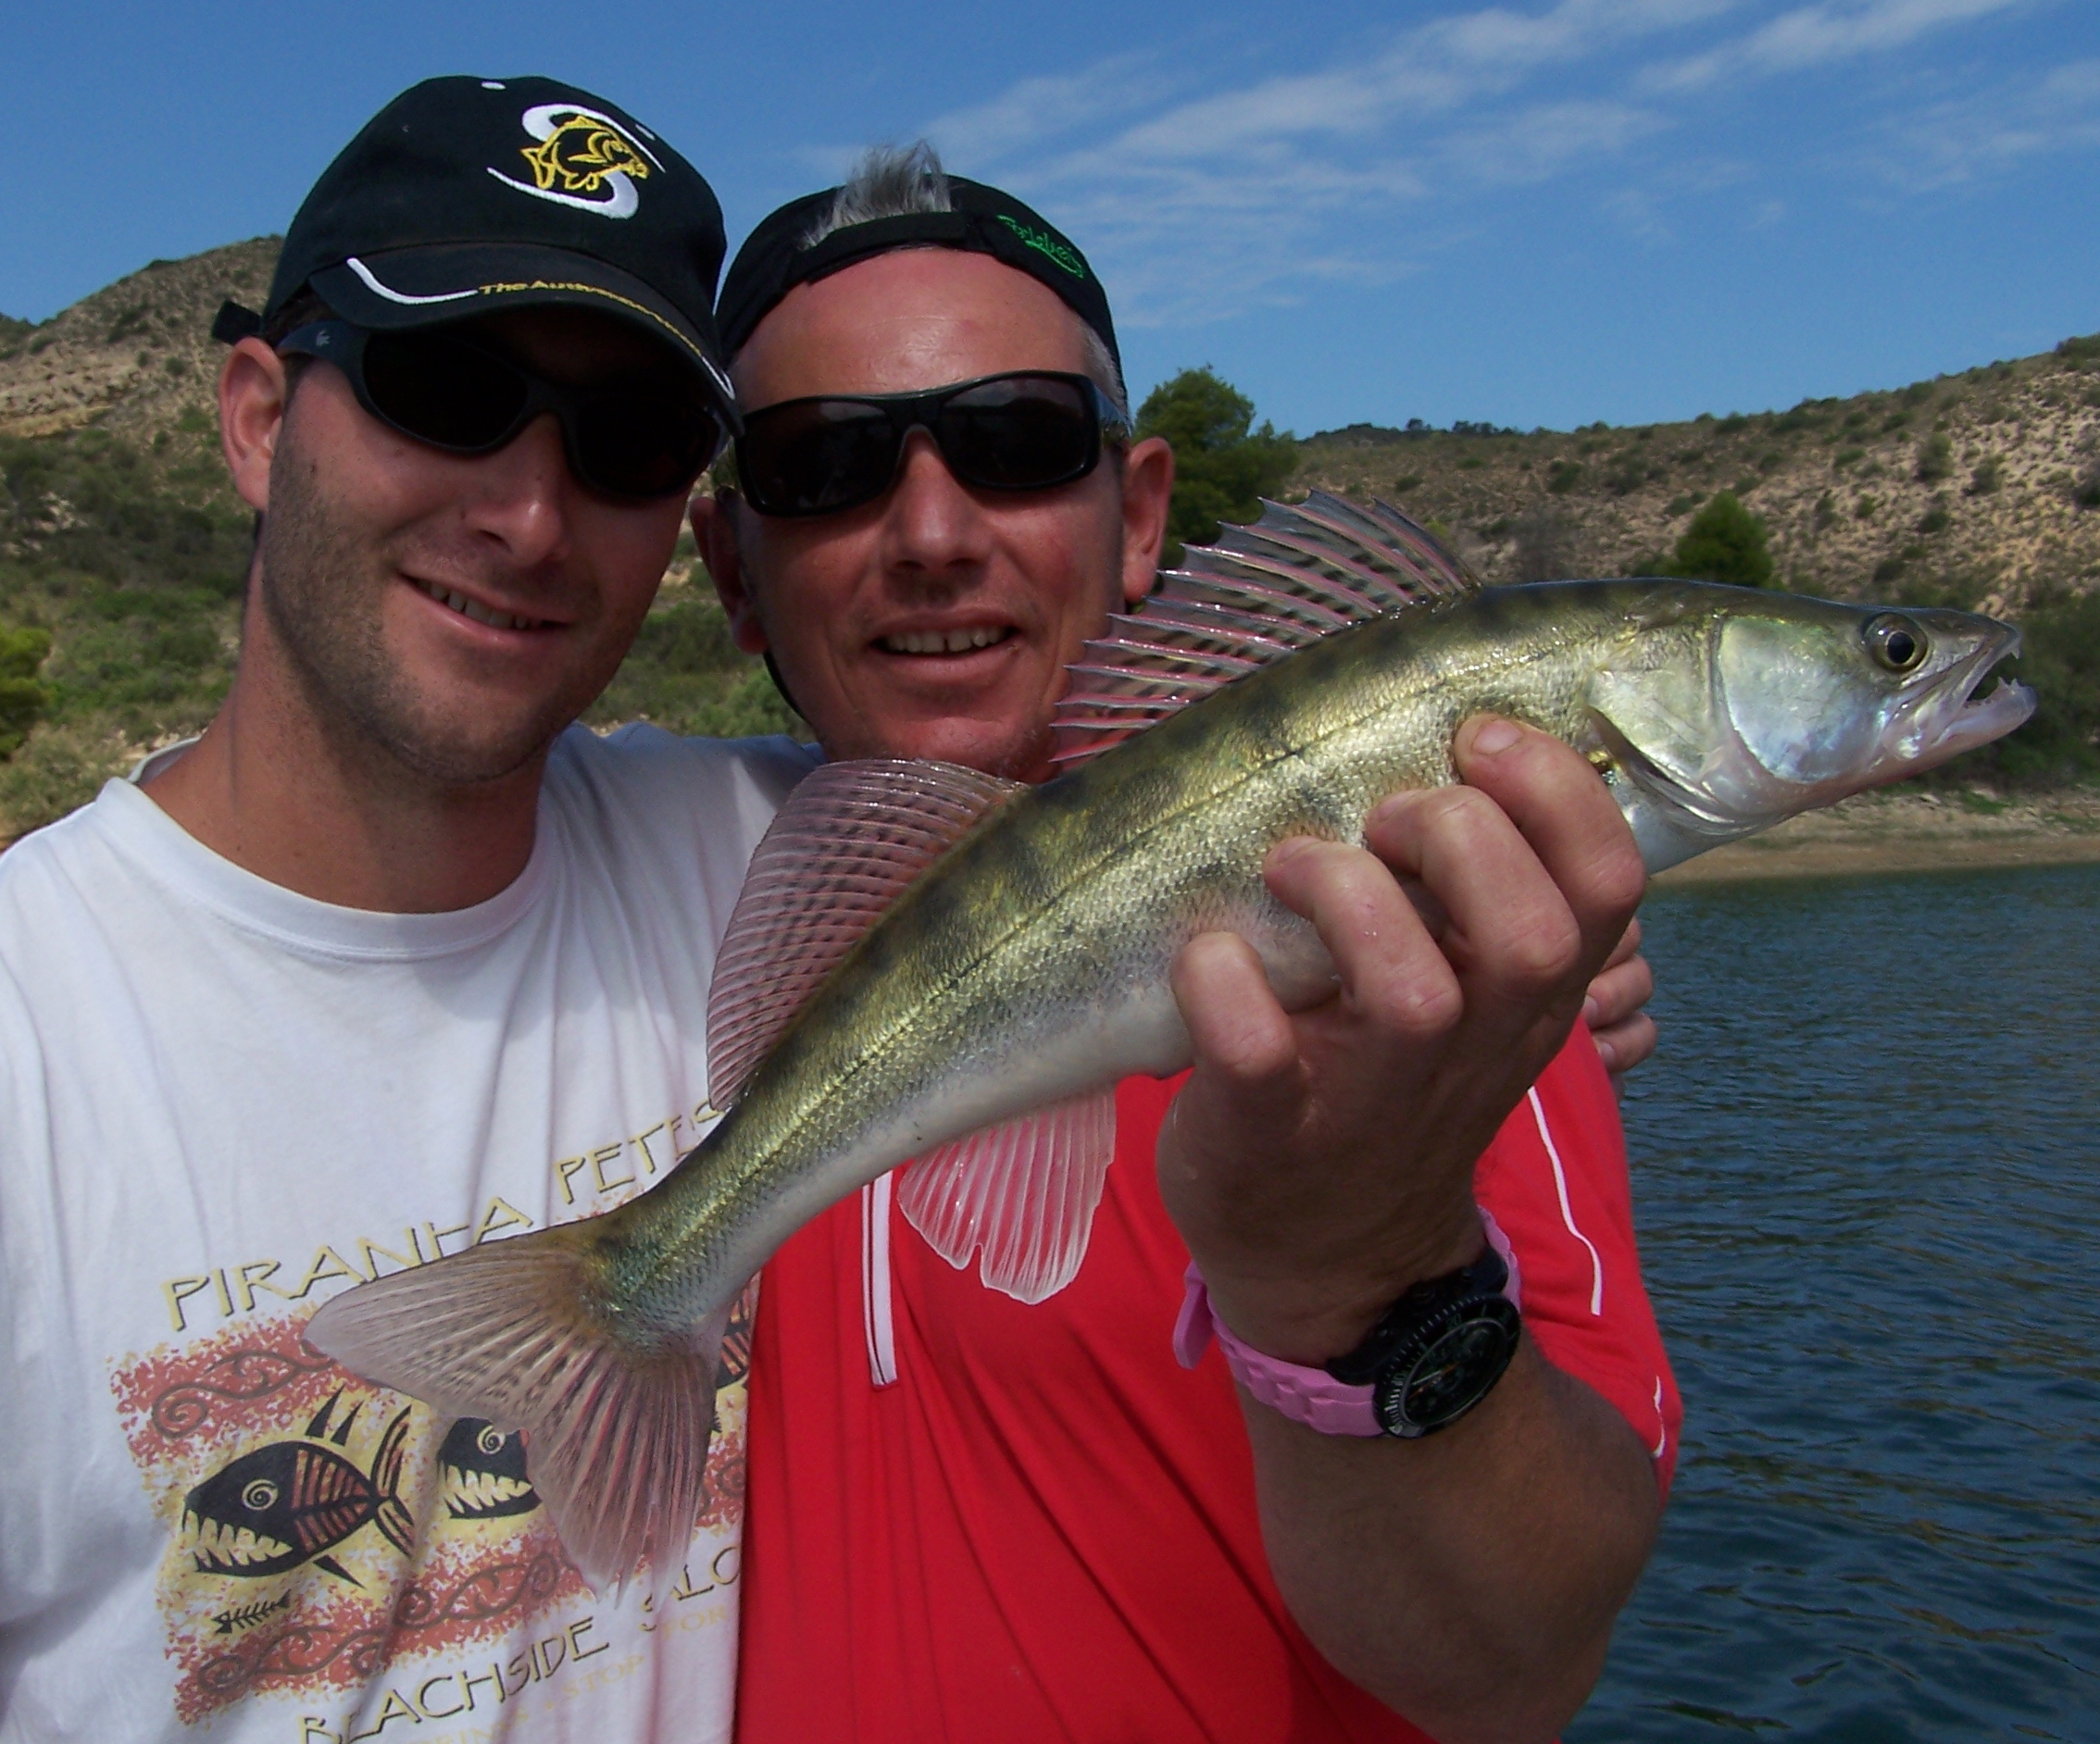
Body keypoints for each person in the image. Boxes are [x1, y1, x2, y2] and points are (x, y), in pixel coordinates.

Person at [0, 77, 806, 1742]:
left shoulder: (765, 863)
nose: (528, 515)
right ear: (255, 419)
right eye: (447, 389)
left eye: (631, 439)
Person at [690, 149, 1678, 1744]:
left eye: (1017, 441)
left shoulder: (1439, 950)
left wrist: (1365, 1270)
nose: (931, 531)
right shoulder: (655, 874)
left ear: (1139, 512)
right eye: (824, 465)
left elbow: (1521, 1671)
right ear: (734, 568)